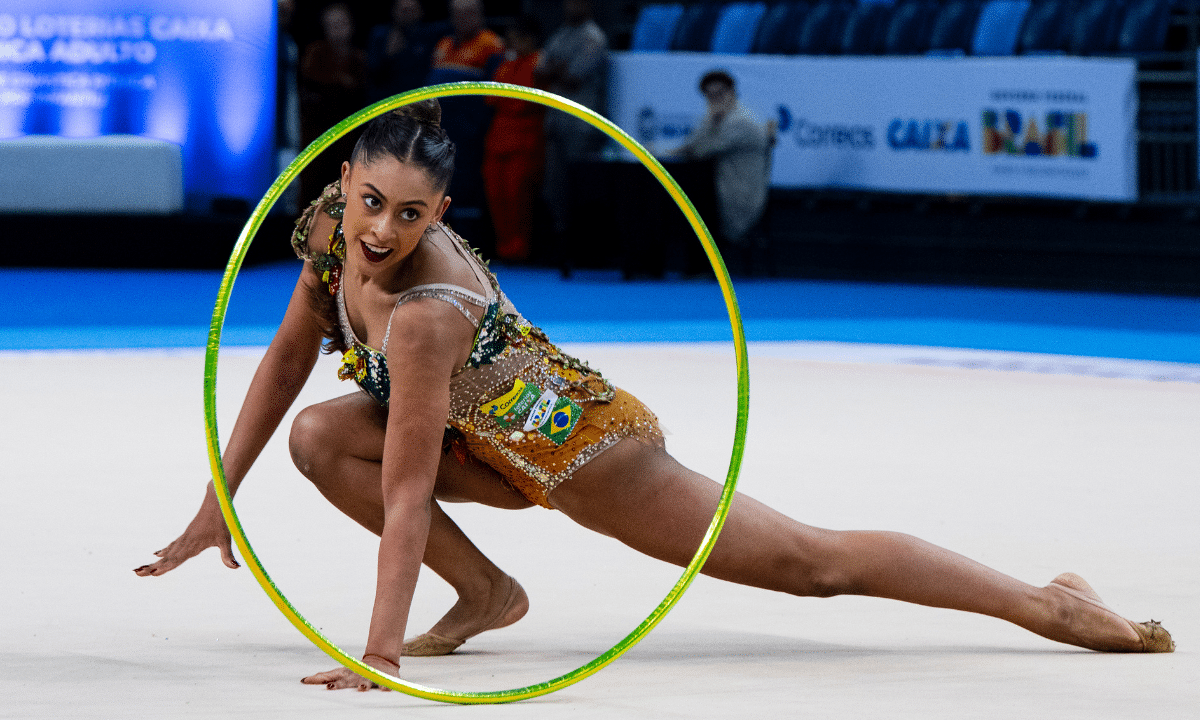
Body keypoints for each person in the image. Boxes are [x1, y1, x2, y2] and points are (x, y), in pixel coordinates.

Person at [134, 100, 1174, 692]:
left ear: (443, 211)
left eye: (409, 215)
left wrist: (380, 658)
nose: (378, 231)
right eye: (369, 201)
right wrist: (214, 500)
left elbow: (405, 492)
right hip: (475, 437)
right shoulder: (326, 226)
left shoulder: (428, 314)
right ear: (344, 176)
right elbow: (279, 362)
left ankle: (1050, 604)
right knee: (320, 434)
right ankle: (489, 595)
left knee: (810, 563)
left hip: (576, 446)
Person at [670, 70, 771, 276]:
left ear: (733, 92)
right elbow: (690, 146)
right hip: (721, 190)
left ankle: (700, 268)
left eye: (720, 94)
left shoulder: (740, 121)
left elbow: (699, 150)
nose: (715, 100)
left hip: (738, 198)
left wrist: (710, 121)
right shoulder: (718, 119)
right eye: (710, 96)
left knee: (691, 204)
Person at [534, 0, 609, 277]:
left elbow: (573, 77)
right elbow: (539, 72)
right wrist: (556, 69)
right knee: (555, 189)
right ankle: (560, 253)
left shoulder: (594, 37)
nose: (570, 5)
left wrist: (556, 68)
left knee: (582, 191)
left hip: (582, 128)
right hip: (555, 124)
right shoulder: (561, 33)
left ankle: (585, 255)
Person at [425, 0, 504, 251]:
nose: (464, 19)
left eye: (470, 13)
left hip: (472, 133)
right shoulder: (443, 45)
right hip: (441, 131)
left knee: (469, 190)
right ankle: (438, 246)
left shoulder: (491, 45)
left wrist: (478, 126)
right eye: (458, 14)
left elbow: (496, 92)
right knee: (439, 186)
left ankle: (472, 248)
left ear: (480, 15)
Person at [482, 15, 545, 262]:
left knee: (516, 195)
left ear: (529, 39)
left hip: (525, 138)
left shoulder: (538, 62)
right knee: (495, 194)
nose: (511, 45)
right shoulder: (507, 62)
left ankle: (519, 251)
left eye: (515, 40)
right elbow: (491, 97)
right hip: (498, 137)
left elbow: (523, 101)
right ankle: (504, 248)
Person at [299, 3, 367, 204]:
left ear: (351, 26)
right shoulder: (315, 52)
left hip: (348, 139)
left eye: (342, 24)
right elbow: (313, 79)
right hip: (317, 137)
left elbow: (361, 91)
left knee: (344, 192)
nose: (338, 30)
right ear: (324, 28)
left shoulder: (359, 58)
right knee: (313, 195)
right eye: (332, 25)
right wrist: (340, 81)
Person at [365, 0, 446, 104]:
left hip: (419, 100)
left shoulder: (431, 34)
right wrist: (388, 56)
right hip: (386, 101)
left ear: (421, 11)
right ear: (393, 11)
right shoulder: (380, 35)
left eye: (412, 10)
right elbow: (372, 75)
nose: (407, 15)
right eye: (403, 10)